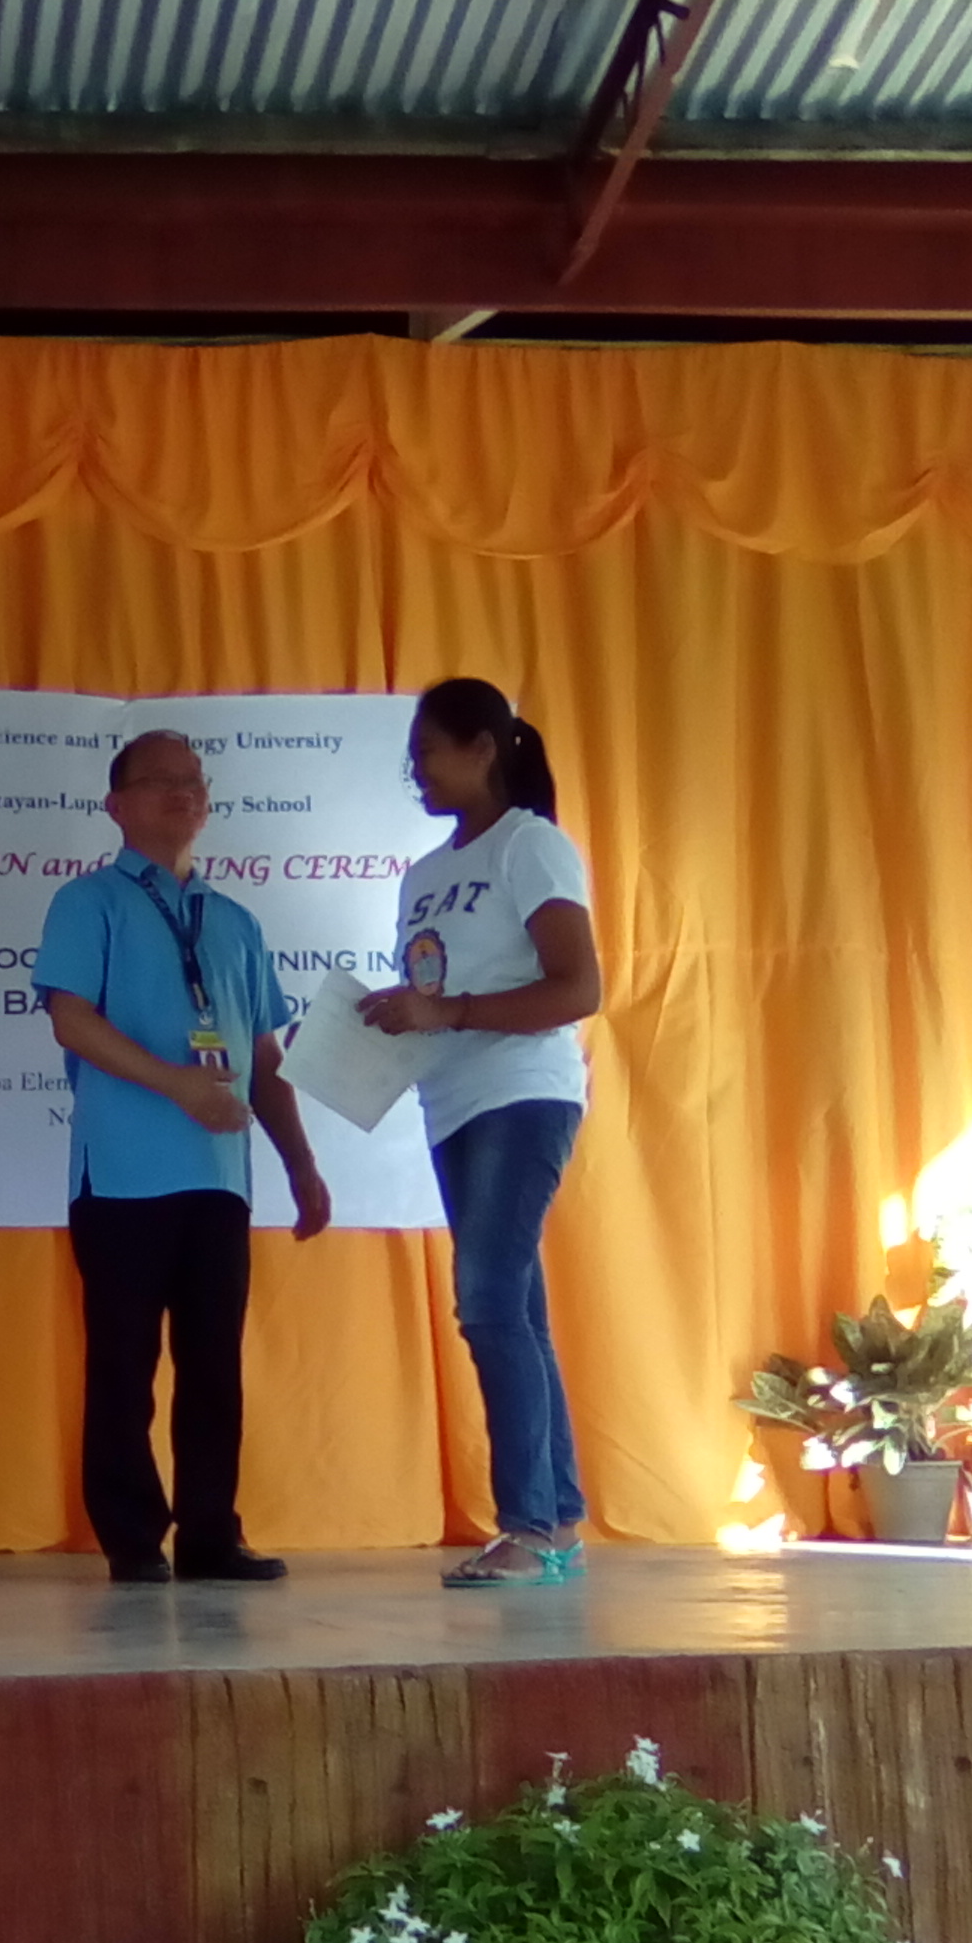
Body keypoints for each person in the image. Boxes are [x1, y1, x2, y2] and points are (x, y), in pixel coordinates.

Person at [35, 731, 330, 1585]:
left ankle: (210, 1533)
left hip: (218, 1179)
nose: (180, 794)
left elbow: (263, 1059)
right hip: (122, 1174)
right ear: (115, 805)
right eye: (157, 781)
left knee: (215, 1367)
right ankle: (133, 1539)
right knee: (124, 1366)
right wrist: (176, 1085)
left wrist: (302, 1165)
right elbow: (71, 1020)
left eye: (192, 781)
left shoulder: (234, 920)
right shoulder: (88, 904)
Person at [359, 678, 606, 1590]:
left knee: (489, 1303)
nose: (415, 769)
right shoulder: (425, 874)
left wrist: (450, 1010)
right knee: (520, 1312)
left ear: (484, 748)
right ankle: (562, 1525)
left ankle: (529, 1526)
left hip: (523, 1096)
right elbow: (430, 1001)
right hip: (450, 1103)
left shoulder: (530, 846)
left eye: (429, 749)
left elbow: (577, 990)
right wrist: (370, 1028)